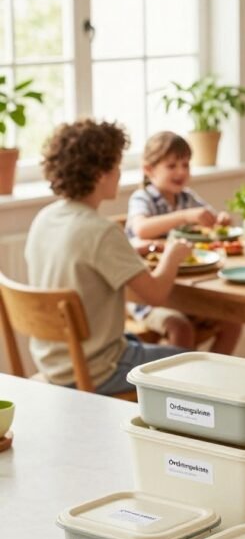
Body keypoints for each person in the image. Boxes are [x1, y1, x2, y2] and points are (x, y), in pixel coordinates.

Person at [25, 119, 194, 396]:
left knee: (147, 342)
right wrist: (173, 256)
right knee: (193, 365)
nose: (119, 173)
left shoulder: (46, 218)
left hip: (54, 361)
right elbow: (156, 295)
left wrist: (128, 252)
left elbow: (84, 262)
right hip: (99, 368)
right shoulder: (101, 231)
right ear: (99, 173)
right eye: (116, 166)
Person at [125, 131, 240, 353]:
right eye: (172, 166)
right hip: (148, 299)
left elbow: (209, 219)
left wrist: (220, 220)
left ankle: (207, 381)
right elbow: (140, 228)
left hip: (186, 291)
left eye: (186, 165)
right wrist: (185, 216)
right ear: (149, 170)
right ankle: (180, 385)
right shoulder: (143, 198)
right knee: (181, 328)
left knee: (232, 322)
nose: (181, 171)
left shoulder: (186, 197)